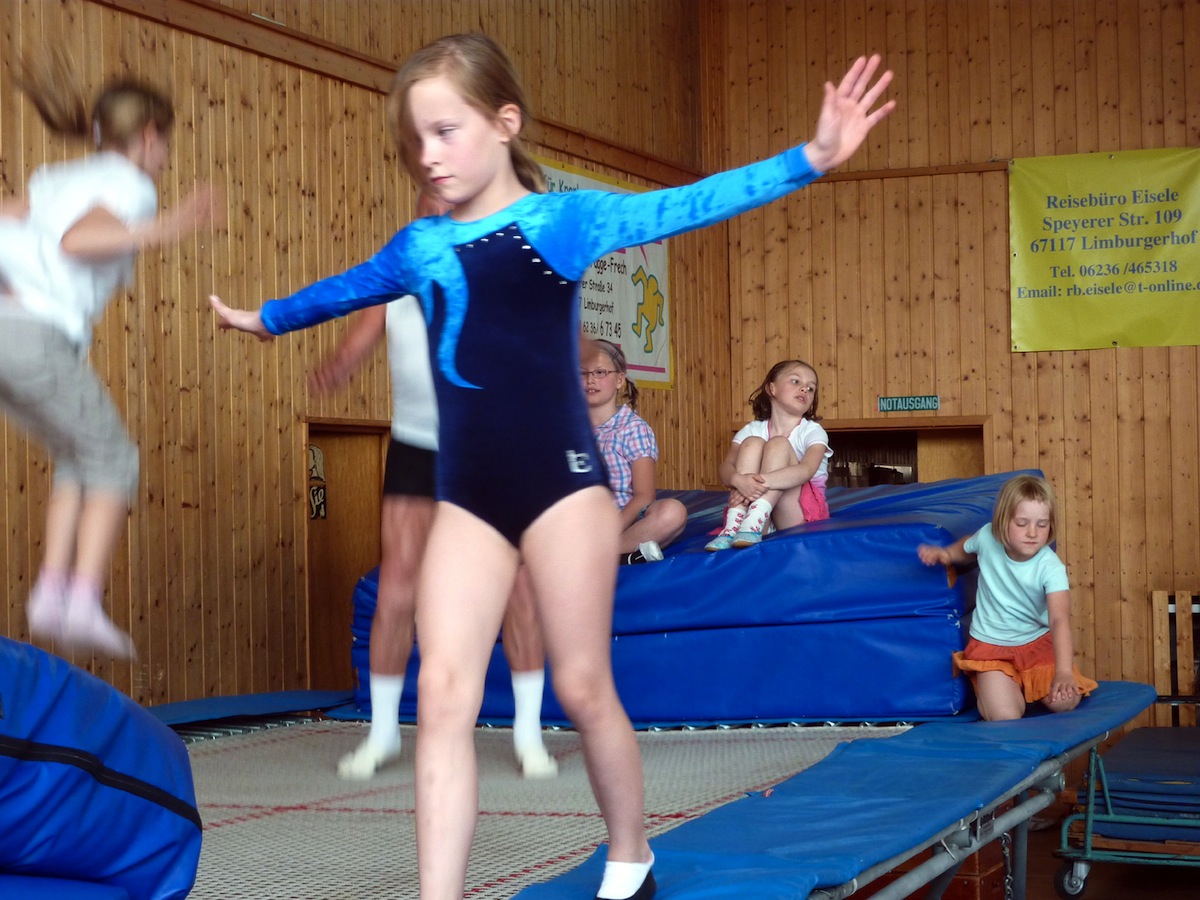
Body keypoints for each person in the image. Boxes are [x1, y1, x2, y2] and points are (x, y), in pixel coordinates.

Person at [210, 33, 893, 900]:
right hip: (467, 495)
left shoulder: (558, 224)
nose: (428, 153)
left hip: (561, 488)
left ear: (505, 122)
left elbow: (687, 204)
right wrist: (267, 318)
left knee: (581, 683)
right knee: (444, 695)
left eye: (447, 130)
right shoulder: (420, 247)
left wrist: (810, 159)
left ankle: (631, 852)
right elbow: (344, 289)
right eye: (416, 138)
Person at [311, 192, 556, 780]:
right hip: (417, 447)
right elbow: (360, 337)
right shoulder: (395, 275)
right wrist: (341, 363)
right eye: (430, 207)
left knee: (517, 587)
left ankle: (528, 733)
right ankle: (383, 733)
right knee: (397, 587)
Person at [0, 50, 219, 659]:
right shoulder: (131, 185)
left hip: (5, 336)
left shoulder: (57, 178)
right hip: (36, 339)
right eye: (165, 145)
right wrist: (167, 226)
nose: (165, 159)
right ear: (148, 136)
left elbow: (10, 219)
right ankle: (81, 601)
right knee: (117, 461)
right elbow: (78, 240)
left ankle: (51, 593)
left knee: (79, 457)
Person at [917, 473, 1098, 722]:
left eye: (1042, 524)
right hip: (991, 648)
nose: (1032, 533)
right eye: (1022, 523)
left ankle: (1027, 684)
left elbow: (1059, 620)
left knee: (1064, 702)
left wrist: (1064, 671)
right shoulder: (987, 537)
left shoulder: (1050, 567)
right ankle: (1003, 690)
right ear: (1003, 522)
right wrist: (946, 554)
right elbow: (967, 546)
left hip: (1036, 644)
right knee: (1005, 715)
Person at [705, 359, 832, 551]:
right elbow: (726, 467)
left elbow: (806, 470)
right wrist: (738, 480)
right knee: (752, 443)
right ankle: (736, 525)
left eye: (811, 388)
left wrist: (756, 483)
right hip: (758, 515)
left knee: (778, 444)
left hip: (799, 515)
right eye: (796, 381)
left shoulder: (812, 431)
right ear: (772, 388)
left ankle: (754, 520)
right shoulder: (751, 430)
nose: (804, 389)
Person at [582, 338, 686, 565]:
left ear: (620, 380)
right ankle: (621, 558)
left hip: (622, 521)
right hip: (578, 520)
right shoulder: (568, 427)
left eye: (600, 372)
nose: (590, 379)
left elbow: (644, 495)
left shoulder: (633, 429)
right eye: (583, 373)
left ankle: (596, 557)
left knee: (672, 512)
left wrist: (609, 531)